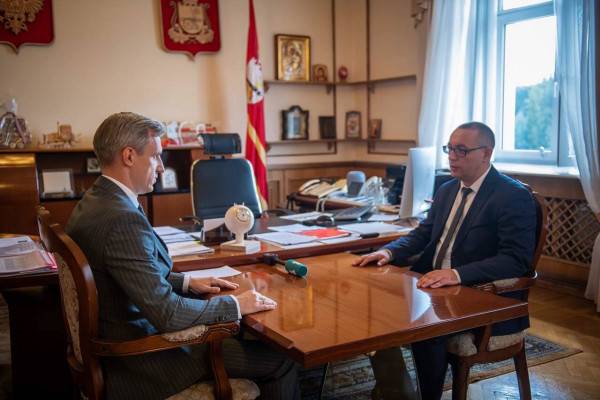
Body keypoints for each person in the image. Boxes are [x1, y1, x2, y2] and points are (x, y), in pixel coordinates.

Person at [66, 112, 300, 400]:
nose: (162, 167)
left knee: (243, 334)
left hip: (121, 337)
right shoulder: (120, 219)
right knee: (282, 357)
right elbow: (168, 313)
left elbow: (127, 276)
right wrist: (235, 304)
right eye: (155, 157)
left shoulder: (96, 200)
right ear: (128, 156)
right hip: (145, 361)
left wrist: (188, 283)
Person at [353, 121, 537, 400]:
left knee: (426, 328)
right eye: (449, 149)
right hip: (433, 286)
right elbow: (423, 234)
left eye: (461, 150)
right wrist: (388, 252)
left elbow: (516, 260)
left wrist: (457, 274)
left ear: (486, 153)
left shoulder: (511, 196)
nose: (452, 156)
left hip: (480, 297)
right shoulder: (447, 189)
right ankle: (397, 391)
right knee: (377, 307)